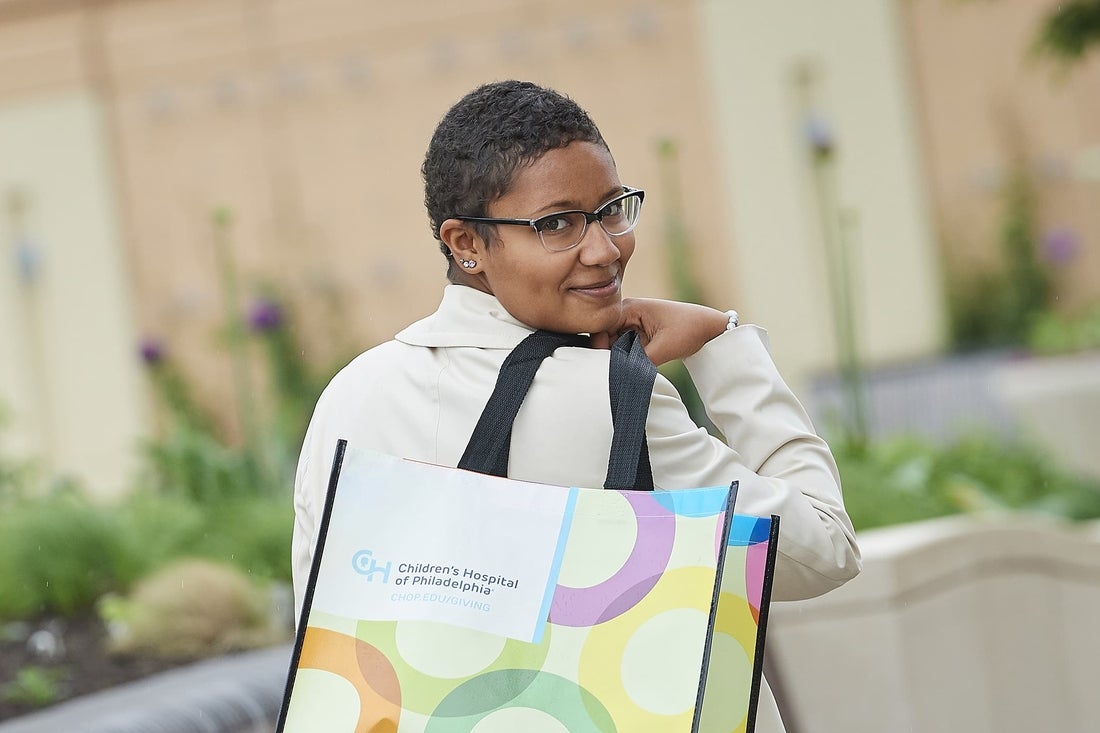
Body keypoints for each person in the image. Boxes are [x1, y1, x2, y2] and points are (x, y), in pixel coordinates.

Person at [292, 79, 860, 733]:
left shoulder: (352, 394)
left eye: (612, 209)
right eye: (556, 223)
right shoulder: (613, 400)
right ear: (466, 243)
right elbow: (823, 547)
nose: (605, 247)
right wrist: (724, 345)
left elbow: (323, 630)